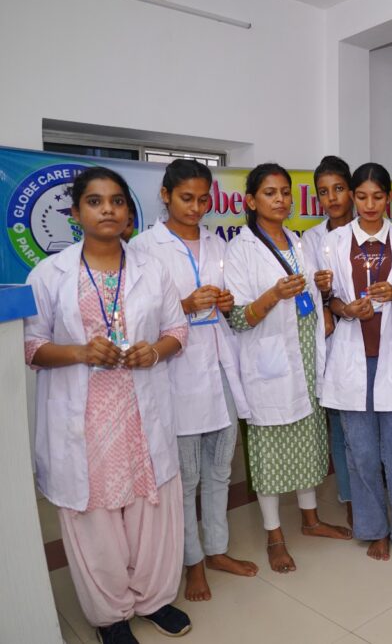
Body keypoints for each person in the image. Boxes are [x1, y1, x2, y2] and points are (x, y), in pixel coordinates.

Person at [25, 166, 192, 643]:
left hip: (141, 413)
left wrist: (153, 352)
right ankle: (110, 615)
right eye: (95, 202)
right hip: (86, 421)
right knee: (95, 520)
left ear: (128, 212)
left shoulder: (151, 269)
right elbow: (31, 346)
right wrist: (80, 352)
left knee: (150, 511)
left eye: (117, 201)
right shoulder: (49, 274)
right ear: (76, 213)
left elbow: (177, 330)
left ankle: (154, 599)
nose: (108, 210)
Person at [129, 159, 257, 601]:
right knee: (185, 477)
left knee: (220, 467)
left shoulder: (218, 244)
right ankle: (192, 562)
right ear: (165, 196)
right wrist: (184, 305)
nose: (197, 207)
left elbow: (234, 306)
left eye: (204, 199)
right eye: (187, 198)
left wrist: (226, 302)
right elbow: (137, 316)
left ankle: (217, 549)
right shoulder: (144, 249)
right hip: (176, 372)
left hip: (219, 366)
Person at [224, 163, 349, 575]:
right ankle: (274, 535)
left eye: (284, 192)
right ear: (251, 200)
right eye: (270, 193)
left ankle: (311, 520)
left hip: (305, 358)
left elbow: (311, 298)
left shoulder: (298, 242)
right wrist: (274, 294)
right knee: (271, 451)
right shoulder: (241, 249)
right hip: (270, 360)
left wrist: (322, 287)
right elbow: (239, 317)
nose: (279, 200)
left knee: (308, 442)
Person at [321, 162, 392, 560]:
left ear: (389, 199)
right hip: (352, 357)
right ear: (352, 196)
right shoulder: (334, 242)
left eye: (377, 197)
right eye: (362, 196)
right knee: (361, 452)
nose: (369, 205)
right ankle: (374, 529)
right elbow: (330, 299)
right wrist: (346, 309)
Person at [301, 155, 356, 526]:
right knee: (340, 422)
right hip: (333, 338)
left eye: (338, 189)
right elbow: (305, 294)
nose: (332, 198)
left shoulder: (372, 230)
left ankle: (374, 487)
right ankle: (350, 496)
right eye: (324, 192)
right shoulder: (311, 239)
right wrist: (322, 296)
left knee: (371, 421)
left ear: (351, 191)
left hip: (371, 335)